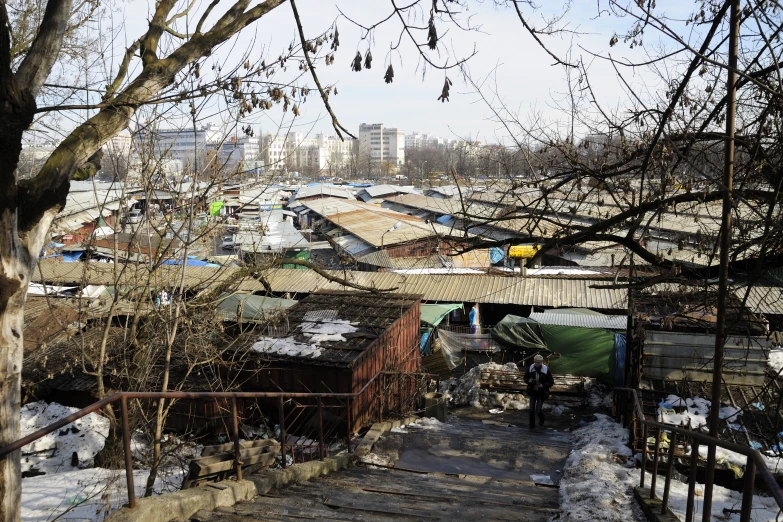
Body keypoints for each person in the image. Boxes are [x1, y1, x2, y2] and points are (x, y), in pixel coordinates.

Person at [525, 354, 554, 429]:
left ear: (541, 362)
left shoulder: (546, 370)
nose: (537, 364)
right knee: (531, 410)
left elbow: (551, 381)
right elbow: (525, 377)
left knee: (538, 410)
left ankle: (542, 418)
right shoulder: (530, 368)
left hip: (541, 392)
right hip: (532, 391)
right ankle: (532, 426)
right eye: (535, 362)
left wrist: (543, 385)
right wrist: (529, 381)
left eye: (538, 362)